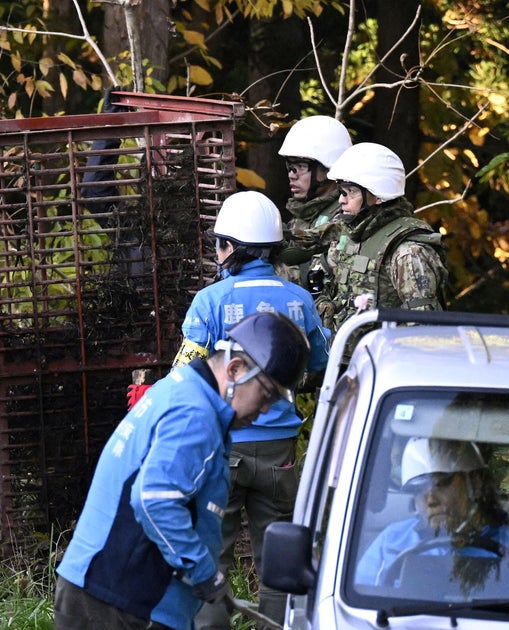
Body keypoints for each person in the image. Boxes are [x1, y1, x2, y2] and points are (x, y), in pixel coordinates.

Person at [55, 312, 312, 630]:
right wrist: (203, 572)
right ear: (235, 370)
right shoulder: (195, 414)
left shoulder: (183, 390)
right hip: (119, 600)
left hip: (109, 592)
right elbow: (155, 501)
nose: (265, 410)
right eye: (267, 395)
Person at [173, 191, 330, 630]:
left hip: (221, 447)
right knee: (277, 556)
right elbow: (320, 362)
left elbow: (186, 373)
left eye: (220, 242)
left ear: (233, 248)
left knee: (212, 551)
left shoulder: (210, 300)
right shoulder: (300, 300)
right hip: (279, 448)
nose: (217, 251)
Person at [355, 438, 509, 586]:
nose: (431, 499)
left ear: (475, 482)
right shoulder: (391, 540)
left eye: (441, 483)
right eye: (419, 490)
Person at [316, 142, 447, 333]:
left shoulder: (408, 252)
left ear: (377, 196)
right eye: (342, 191)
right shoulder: (349, 236)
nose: (341, 199)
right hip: (342, 355)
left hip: (384, 358)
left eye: (351, 191)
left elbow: (422, 330)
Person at [275, 115, 352, 294]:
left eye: (301, 166)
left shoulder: (345, 214)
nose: (292, 174)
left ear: (328, 169)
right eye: (290, 166)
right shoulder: (306, 213)